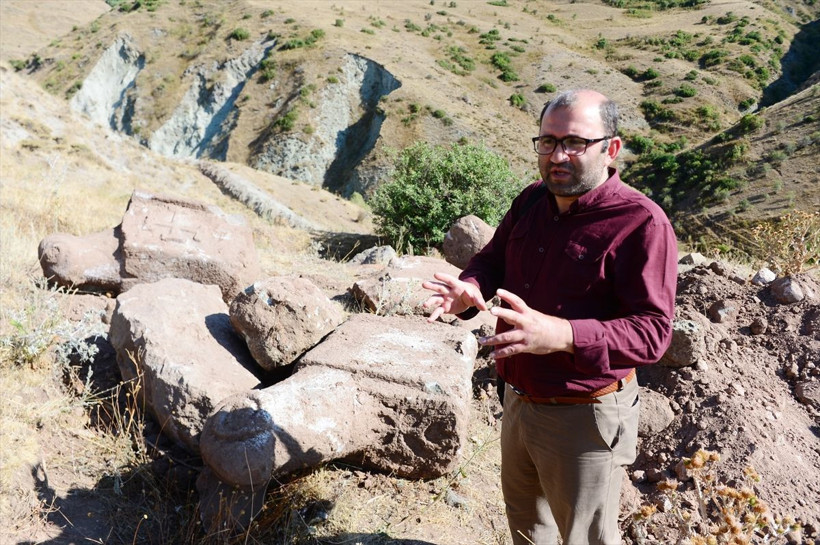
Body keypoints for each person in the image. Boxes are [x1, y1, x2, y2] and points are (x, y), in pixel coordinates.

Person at [422, 89, 677, 545]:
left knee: (585, 539)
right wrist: (470, 288)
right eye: (548, 141)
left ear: (610, 148)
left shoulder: (642, 223)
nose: (558, 155)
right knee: (527, 530)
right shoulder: (532, 201)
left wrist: (561, 335)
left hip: (586, 416)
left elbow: (652, 333)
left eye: (575, 143)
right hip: (518, 400)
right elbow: (493, 259)